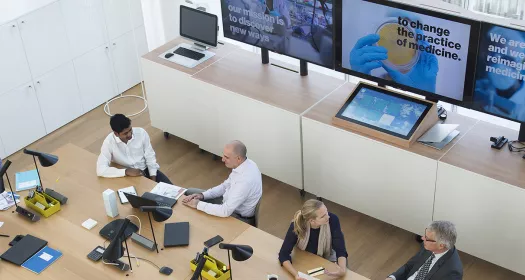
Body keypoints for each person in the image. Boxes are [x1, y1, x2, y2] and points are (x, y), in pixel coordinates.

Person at [182, 140, 262, 226]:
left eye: (227, 157)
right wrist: (202, 195)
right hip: (227, 203)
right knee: (188, 192)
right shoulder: (246, 163)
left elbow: (225, 211)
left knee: (197, 219)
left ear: (238, 158)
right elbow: (225, 186)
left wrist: (198, 204)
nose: (222, 159)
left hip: (237, 217)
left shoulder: (245, 181)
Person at [278, 199, 348, 280]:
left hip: (327, 258)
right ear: (312, 221)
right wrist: (296, 275)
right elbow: (283, 254)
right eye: (323, 216)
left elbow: (340, 249)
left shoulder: (333, 220)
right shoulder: (296, 226)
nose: (328, 216)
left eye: (327, 212)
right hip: (305, 258)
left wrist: (342, 270)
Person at [96, 114, 172, 184]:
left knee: (180, 194)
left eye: (130, 130)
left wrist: (153, 180)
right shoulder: (109, 142)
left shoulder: (141, 133)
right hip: (129, 177)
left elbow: (150, 157)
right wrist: (126, 171)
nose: (129, 135)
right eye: (125, 133)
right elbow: (100, 170)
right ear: (116, 134)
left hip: (147, 170)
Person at [386, 221, 462, 280]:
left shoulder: (452, 273)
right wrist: (393, 277)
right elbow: (409, 266)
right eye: (425, 235)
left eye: (427, 238)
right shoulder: (428, 246)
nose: (422, 238)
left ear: (441, 245)